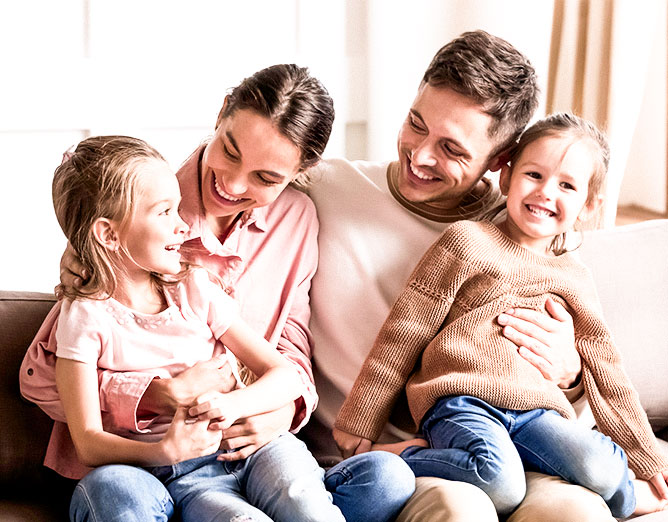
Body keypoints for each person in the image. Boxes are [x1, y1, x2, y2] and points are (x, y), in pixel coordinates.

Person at [20, 65, 414, 522]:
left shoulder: (294, 222)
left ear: (301, 173)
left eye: (266, 178)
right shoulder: (140, 206)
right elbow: (42, 376)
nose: (233, 184)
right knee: (123, 494)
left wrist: (280, 410)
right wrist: (159, 395)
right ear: (222, 112)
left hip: (244, 442)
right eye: (229, 150)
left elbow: (290, 346)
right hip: (151, 460)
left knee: (380, 480)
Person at [307, 31, 616, 521]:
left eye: (451, 148)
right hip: (384, 463)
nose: (421, 155)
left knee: (577, 511)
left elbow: (577, 398)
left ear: (501, 162)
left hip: (510, 446)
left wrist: (571, 373)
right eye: (416, 124)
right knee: (463, 507)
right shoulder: (328, 187)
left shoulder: (527, 228)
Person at [333, 113, 668, 518]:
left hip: (537, 414)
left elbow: (608, 372)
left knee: (601, 467)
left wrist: (649, 461)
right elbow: (404, 333)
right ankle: (402, 456)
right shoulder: (466, 241)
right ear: (506, 177)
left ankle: (625, 500)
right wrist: (360, 420)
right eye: (534, 175)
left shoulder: (575, 276)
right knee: (500, 482)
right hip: (460, 401)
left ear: (588, 206)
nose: (546, 192)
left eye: (566, 185)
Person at [52, 134, 349, 522]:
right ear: (108, 234)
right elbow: (88, 443)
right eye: (164, 213)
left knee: (304, 504)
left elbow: (286, 375)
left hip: (251, 448)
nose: (182, 227)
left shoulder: (194, 287)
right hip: (181, 473)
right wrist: (163, 452)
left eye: (179, 209)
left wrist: (232, 405)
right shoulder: (83, 318)